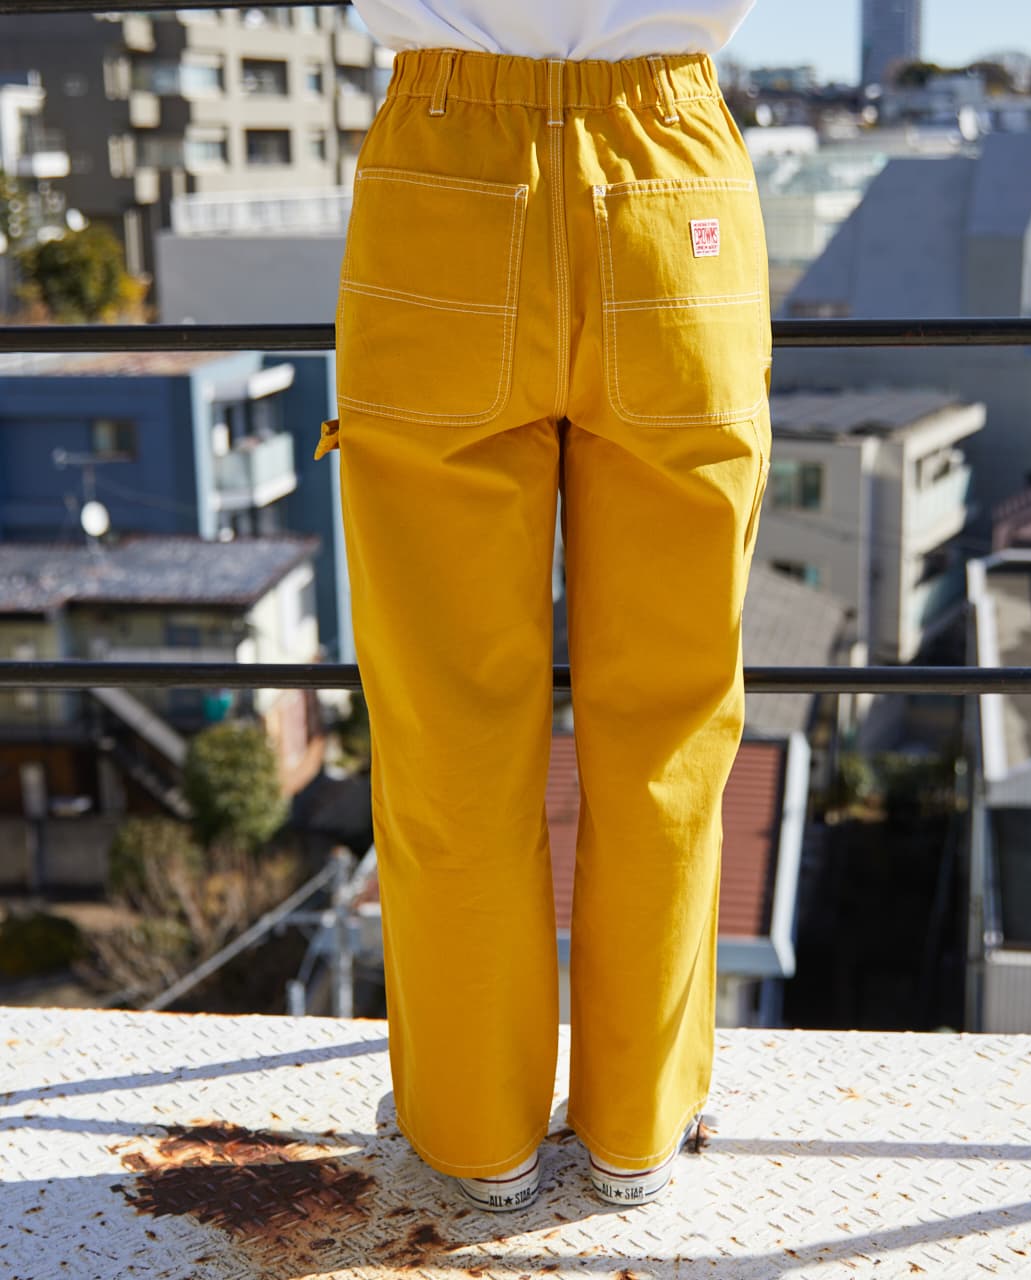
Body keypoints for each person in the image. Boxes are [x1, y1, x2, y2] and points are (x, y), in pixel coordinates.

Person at [313, 0, 772, 1212]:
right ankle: (637, 1129)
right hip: (672, 175)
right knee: (670, 720)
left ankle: (478, 1136)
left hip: (443, 171)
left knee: (448, 719)